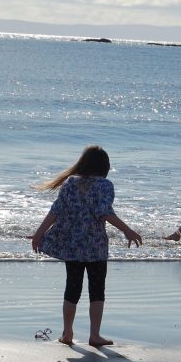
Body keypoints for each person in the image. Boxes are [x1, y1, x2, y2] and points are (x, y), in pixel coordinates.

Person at [30, 145, 142, 347]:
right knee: (97, 291)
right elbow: (104, 212)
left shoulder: (70, 183)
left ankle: (67, 334)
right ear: (104, 166)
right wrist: (127, 229)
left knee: (72, 289)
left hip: (73, 246)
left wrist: (39, 234)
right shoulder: (105, 185)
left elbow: (55, 211)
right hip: (96, 246)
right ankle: (94, 335)